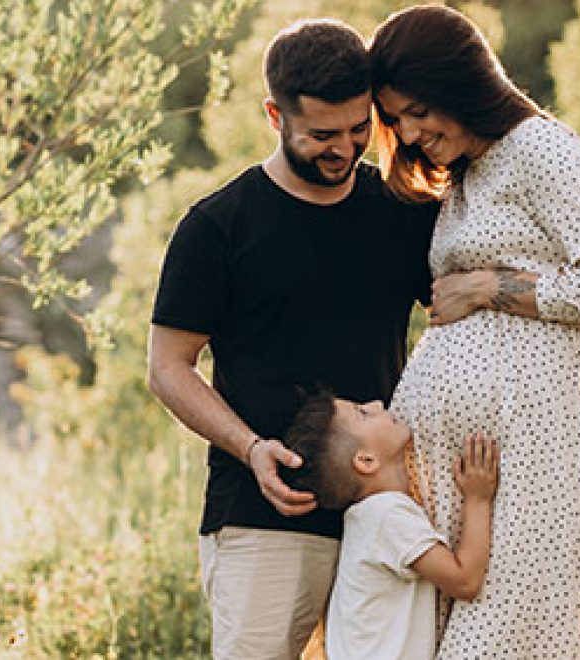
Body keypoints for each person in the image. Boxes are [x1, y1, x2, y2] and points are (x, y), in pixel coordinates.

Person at [367, 5, 580, 658]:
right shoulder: (471, 170)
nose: (410, 134)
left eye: (418, 111)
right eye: (397, 120)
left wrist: (487, 288)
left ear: (458, 84)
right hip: (485, 474)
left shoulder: (541, 148)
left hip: (542, 460)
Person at [147, 18, 436, 659]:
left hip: (389, 509)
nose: (346, 147)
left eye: (361, 128)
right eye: (323, 135)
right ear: (275, 116)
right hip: (265, 511)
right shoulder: (217, 227)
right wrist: (250, 448)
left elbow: (452, 313)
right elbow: (168, 366)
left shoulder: (401, 208)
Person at [282, 391, 499, 660]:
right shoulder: (387, 517)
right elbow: (465, 581)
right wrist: (477, 498)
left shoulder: (369, 518)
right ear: (366, 461)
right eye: (363, 413)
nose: (377, 404)